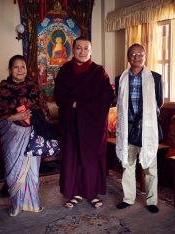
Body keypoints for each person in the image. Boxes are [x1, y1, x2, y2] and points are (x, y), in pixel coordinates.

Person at [54, 36, 115, 209]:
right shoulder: (65, 71)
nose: (82, 51)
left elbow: (106, 98)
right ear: (73, 50)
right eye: (79, 48)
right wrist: (71, 104)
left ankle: (92, 193)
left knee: (91, 158)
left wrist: (78, 104)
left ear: (91, 50)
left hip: (93, 125)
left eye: (86, 48)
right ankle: (75, 193)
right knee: (73, 158)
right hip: (72, 123)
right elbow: (59, 95)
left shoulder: (99, 72)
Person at [0, 55, 52, 216]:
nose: (20, 70)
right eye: (16, 67)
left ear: (26, 69)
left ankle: (33, 203)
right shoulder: (3, 88)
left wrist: (34, 118)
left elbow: (44, 111)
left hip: (32, 135)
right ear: (10, 69)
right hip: (12, 136)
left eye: (23, 67)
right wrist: (13, 117)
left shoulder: (34, 87)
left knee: (32, 170)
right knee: (14, 170)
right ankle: (16, 205)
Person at [115, 43, 163, 213]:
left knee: (150, 165)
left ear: (145, 56)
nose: (137, 57)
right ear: (128, 58)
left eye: (140, 54)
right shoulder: (119, 78)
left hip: (147, 128)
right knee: (128, 163)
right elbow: (119, 104)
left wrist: (147, 117)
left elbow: (159, 103)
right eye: (133, 54)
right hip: (127, 127)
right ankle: (128, 198)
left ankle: (152, 201)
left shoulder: (155, 78)